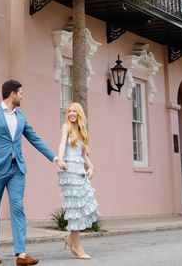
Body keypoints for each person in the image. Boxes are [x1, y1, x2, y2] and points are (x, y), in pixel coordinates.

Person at [0, 79, 67, 265]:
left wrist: (55, 158)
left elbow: (35, 139)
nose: (22, 96)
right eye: (20, 93)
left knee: (18, 208)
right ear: (12, 93)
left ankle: (21, 254)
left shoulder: (21, 117)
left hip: (16, 169)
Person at [57, 102, 99, 260]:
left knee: (84, 205)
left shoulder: (82, 131)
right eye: (69, 111)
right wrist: (59, 159)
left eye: (74, 111)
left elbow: (84, 155)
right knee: (74, 208)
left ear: (79, 113)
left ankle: (71, 239)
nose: (72, 113)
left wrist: (91, 167)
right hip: (68, 170)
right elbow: (62, 144)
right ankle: (77, 246)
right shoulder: (66, 127)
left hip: (80, 170)